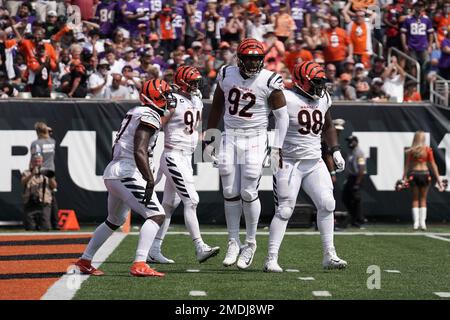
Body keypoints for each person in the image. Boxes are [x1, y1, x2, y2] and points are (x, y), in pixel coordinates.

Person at [75, 79, 176, 277]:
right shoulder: (149, 115)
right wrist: (148, 179)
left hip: (116, 171)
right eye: (164, 95)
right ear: (154, 97)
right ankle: (140, 263)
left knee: (114, 220)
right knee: (156, 215)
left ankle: (85, 260)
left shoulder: (137, 112)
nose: (167, 99)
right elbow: (139, 150)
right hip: (127, 172)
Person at [206, 38, 289, 270]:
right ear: (239, 59)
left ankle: (250, 243)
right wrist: (209, 138)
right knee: (230, 190)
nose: (253, 63)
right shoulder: (226, 73)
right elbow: (216, 106)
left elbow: (282, 118)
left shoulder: (270, 79)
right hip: (230, 135)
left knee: (248, 190)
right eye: (249, 58)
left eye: (257, 58)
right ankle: (233, 240)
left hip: (255, 137)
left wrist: (277, 148)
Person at [264, 61, 347, 273]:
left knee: (328, 203)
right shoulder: (286, 97)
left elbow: (327, 125)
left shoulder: (324, 98)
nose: (320, 87)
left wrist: (335, 149)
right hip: (288, 161)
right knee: (284, 210)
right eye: (315, 83)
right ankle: (271, 258)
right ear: (301, 82)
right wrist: (273, 158)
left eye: (321, 83)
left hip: (314, 161)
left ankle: (330, 255)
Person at [147, 66, 220, 264]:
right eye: (193, 82)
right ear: (182, 83)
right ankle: (199, 246)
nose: (196, 86)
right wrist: (149, 152)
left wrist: (210, 150)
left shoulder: (196, 100)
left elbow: (197, 130)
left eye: (198, 82)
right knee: (192, 200)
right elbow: (158, 124)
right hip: (173, 155)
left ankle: (153, 249)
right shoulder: (173, 100)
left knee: (170, 204)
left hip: (186, 157)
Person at [402, 131, 445, 230]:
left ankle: (416, 223)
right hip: (425, 175)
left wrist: (404, 177)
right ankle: (423, 223)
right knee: (423, 199)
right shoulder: (427, 150)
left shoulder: (411, 151)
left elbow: (407, 165)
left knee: (415, 199)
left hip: (414, 175)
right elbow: (433, 165)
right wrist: (439, 179)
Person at [30, 122, 58, 230]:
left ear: (37, 131)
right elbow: (49, 134)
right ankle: (55, 223)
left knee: (40, 197)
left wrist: (32, 170)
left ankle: (40, 222)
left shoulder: (36, 143)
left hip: (41, 171)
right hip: (51, 172)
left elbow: (36, 158)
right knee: (52, 197)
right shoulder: (52, 141)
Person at [21, 153, 57, 231]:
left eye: (39, 161)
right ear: (32, 162)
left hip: (44, 203)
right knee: (30, 228)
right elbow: (23, 183)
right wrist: (32, 174)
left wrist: (50, 177)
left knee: (45, 228)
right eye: (35, 161)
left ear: (42, 162)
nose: (37, 163)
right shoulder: (26, 172)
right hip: (30, 203)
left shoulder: (47, 172)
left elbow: (54, 186)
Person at [342, 135, 366, 229]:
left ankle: (359, 221)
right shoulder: (351, 152)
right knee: (345, 198)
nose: (350, 143)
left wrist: (357, 183)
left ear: (356, 142)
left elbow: (361, 168)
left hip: (357, 178)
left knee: (356, 200)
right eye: (349, 141)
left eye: (352, 141)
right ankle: (353, 218)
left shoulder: (359, 153)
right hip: (351, 178)